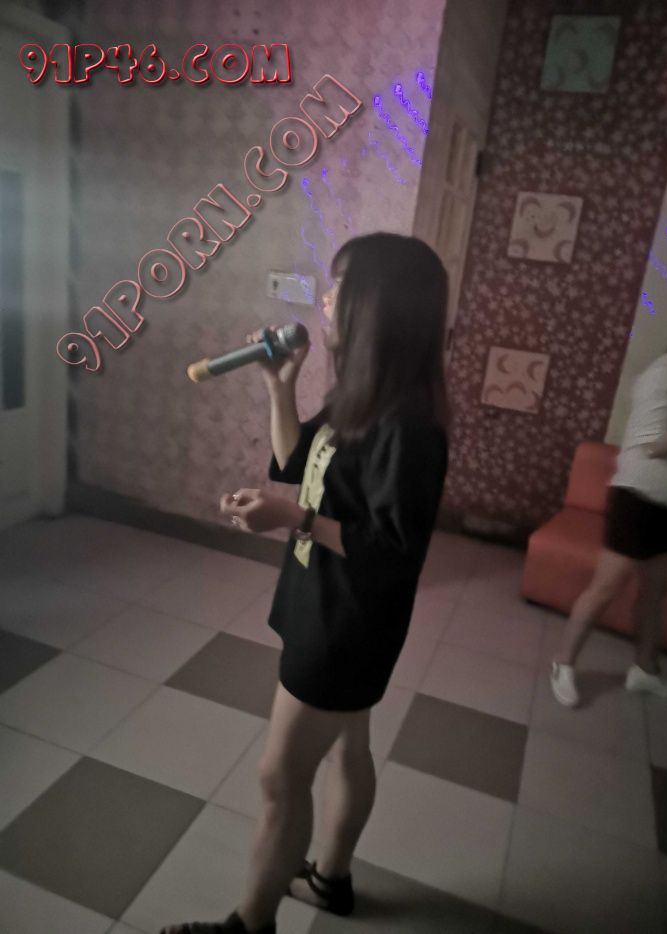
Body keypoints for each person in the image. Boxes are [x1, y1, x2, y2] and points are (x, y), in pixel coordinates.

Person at [161, 233, 451, 934]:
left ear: (378, 307)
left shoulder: (408, 427)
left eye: (340, 286)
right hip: (324, 600)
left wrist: (292, 519)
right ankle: (330, 880)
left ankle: (249, 924)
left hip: (345, 624)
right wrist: (279, 385)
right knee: (348, 745)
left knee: (278, 778)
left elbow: (394, 551)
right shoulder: (362, 397)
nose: (324, 298)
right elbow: (296, 466)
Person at [551, 301, 667, 708]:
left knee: (655, 593)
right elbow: (654, 445)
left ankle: (645, 670)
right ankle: (563, 662)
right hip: (638, 500)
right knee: (605, 589)